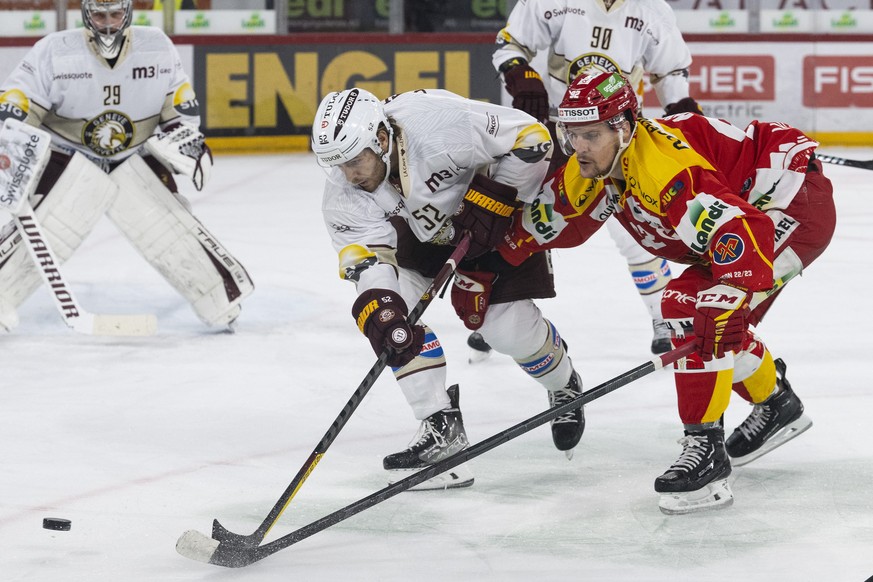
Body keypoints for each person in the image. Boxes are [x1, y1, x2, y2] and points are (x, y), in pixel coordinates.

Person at [494, 70, 835, 514]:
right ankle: (777, 403)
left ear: (623, 127)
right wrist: (487, 266)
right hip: (745, 212)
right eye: (571, 133)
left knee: (694, 308)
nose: (578, 147)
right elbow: (549, 216)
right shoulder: (598, 161)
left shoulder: (663, 168)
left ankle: (706, 451)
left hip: (790, 207)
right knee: (699, 313)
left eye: (590, 134)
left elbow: (740, 227)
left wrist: (732, 288)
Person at [311, 87, 587, 488]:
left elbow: (532, 140)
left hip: (496, 225)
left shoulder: (437, 122)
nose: (349, 175)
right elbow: (365, 259)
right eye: (338, 165)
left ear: (382, 139)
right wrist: (382, 307)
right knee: (391, 320)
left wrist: (495, 204)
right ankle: (440, 426)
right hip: (424, 235)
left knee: (504, 330)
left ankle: (564, 386)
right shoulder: (344, 191)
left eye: (355, 161)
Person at [471, 0, 705, 359]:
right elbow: (511, 44)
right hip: (553, 130)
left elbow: (671, 71)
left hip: (615, 137)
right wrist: (524, 78)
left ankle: (663, 317)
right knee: (526, 221)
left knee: (635, 228)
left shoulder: (652, 10)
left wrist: (683, 112)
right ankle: (506, 310)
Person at [0, 0, 252, 332]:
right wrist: (9, 143)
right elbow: (17, 103)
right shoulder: (54, 50)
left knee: (169, 230)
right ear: (86, 14)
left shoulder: (157, 46)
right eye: (100, 15)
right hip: (68, 155)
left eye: (115, 14)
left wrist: (183, 145)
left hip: (133, 156)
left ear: (129, 12)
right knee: (49, 228)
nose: (107, 24)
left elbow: (179, 112)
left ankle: (219, 299)